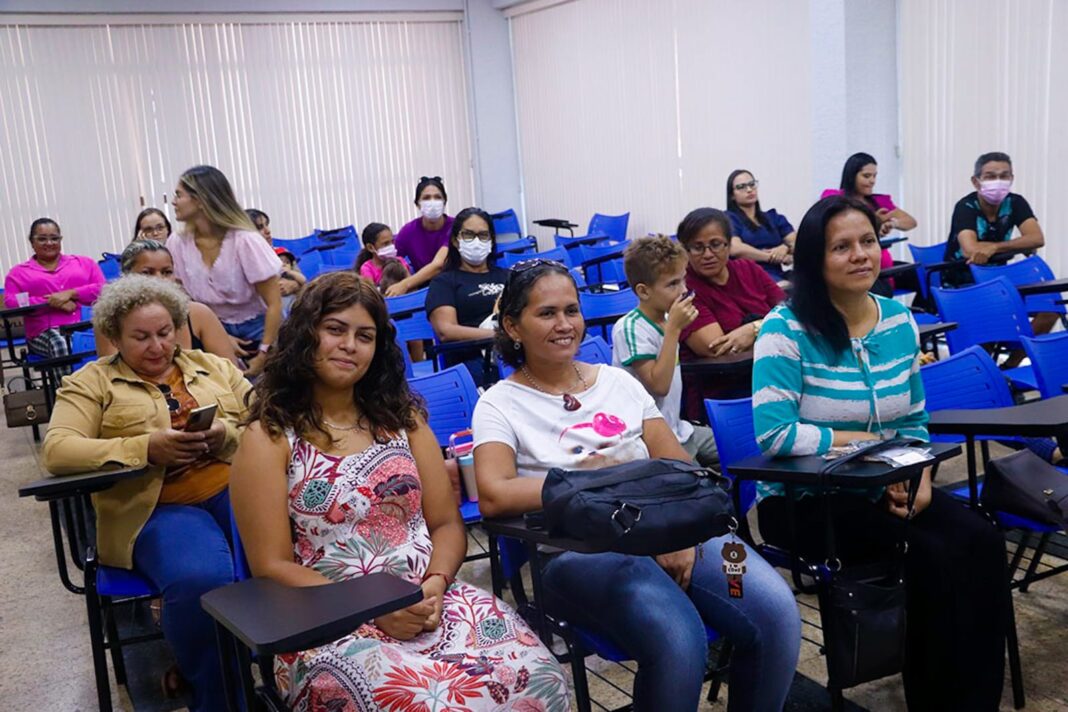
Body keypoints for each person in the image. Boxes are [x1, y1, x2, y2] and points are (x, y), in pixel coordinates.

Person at [229, 272, 568, 710]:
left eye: (364, 336)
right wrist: (371, 609)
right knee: (426, 704)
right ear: (304, 336)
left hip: (427, 601)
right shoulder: (269, 437)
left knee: (540, 675)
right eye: (335, 329)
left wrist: (435, 584)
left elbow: (446, 525)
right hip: (327, 618)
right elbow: (271, 565)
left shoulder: (402, 422)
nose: (350, 345)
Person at [473, 260, 801, 712]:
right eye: (546, 313)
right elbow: (493, 494)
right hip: (578, 550)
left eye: (572, 310)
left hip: (671, 529)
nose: (565, 324)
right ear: (512, 325)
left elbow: (679, 465)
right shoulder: (499, 403)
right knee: (678, 636)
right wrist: (595, 478)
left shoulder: (616, 383)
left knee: (777, 612)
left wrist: (673, 530)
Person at [752, 194, 1010, 711]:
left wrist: (923, 481)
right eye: (841, 247)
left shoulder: (897, 322)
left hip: (889, 482)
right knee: (929, 556)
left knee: (980, 541)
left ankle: (975, 697)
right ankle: (937, 700)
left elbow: (913, 420)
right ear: (813, 261)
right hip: (805, 497)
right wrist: (869, 445)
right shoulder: (785, 331)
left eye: (867, 241)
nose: (860, 254)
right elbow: (776, 436)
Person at [42, 275, 252, 710]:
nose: (157, 347)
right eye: (140, 337)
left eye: (165, 333)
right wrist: (145, 448)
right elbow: (58, 449)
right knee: (202, 579)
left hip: (237, 487)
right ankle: (220, 697)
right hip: (156, 508)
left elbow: (266, 422)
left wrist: (223, 436)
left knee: (302, 548)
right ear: (115, 336)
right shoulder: (92, 382)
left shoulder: (214, 367)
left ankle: (291, 671)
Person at [612, 236, 719, 467]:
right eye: (672, 284)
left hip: (681, 429)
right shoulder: (630, 328)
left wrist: (673, 326)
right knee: (706, 489)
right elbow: (659, 386)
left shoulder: (669, 318)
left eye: (683, 281)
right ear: (644, 291)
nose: (683, 291)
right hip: (655, 441)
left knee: (746, 448)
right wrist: (674, 330)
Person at [167, 166, 283, 375]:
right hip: (207, 328)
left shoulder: (245, 241)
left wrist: (265, 353)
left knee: (261, 393)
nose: (173, 202)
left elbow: (274, 303)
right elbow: (181, 298)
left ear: (201, 200)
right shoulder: (177, 243)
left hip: (259, 330)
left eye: (179, 195)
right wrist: (220, 336)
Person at [677, 208, 786, 418]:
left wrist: (754, 329)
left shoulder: (747, 268)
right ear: (686, 251)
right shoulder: (686, 290)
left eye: (716, 244)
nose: (708, 254)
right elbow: (717, 347)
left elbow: (791, 314)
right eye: (697, 247)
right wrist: (773, 327)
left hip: (773, 378)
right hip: (724, 397)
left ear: (729, 245)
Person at [93, 240, 238, 365]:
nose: (159, 279)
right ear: (126, 276)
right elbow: (112, 379)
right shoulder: (111, 318)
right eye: (147, 273)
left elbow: (230, 373)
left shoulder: (199, 314)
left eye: (167, 272)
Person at [426, 207, 509, 387]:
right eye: (469, 235)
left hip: (512, 354)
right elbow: (446, 331)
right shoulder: (444, 282)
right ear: (456, 241)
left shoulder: (508, 276)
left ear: (492, 240)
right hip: (471, 362)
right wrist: (497, 336)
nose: (477, 241)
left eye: (483, 235)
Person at [3, 218, 106, 360]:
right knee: (63, 345)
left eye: (54, 238)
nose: (49, 243)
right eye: (42, 239)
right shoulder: (18, 273)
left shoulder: (84, 263)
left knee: (114, 338)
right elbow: (12, 301)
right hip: (45, 332)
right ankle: (69, 383)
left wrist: (71, 293)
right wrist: (51, 302)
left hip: (87, 324)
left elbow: (103, 289)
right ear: (32, 242)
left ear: (60, 240)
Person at [821, 152, 918, 296]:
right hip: (858, 265)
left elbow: (911, 222)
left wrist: (892, 223)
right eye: (866, 176)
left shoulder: (879, 201)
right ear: (851, 175)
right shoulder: (834, 197)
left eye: (874, 176)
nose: (872, 181)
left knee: (921, 276)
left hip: (882, 262)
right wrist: (876, 221)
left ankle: (925, 313)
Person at [385, 176, 455, 296]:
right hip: (421, 289)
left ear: (444, 202)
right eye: (426, 198)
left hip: (452, 286)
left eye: (437, 197)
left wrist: (405, 284)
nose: (432, 202)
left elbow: (438, 265)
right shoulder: (408, 231)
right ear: (417, 204)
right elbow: (392, 261)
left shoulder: (456, 226)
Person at [725, 170, 796, 284]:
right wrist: (771, 257)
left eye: (752, 184)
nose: (749, 190)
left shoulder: (774, 217)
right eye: (741, 187)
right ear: (732, 195)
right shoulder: (729, 218)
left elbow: (797, 241)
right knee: (785, 288)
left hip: (778, 273)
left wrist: (785, 247)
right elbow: (735, 248)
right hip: (750, 276)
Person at [247, 208, 305, 298]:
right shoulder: (241, 261)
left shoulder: (282, 254)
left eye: (267, 225)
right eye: (260, 227)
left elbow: (305, 285)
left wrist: (294, 285)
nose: (268, 231)